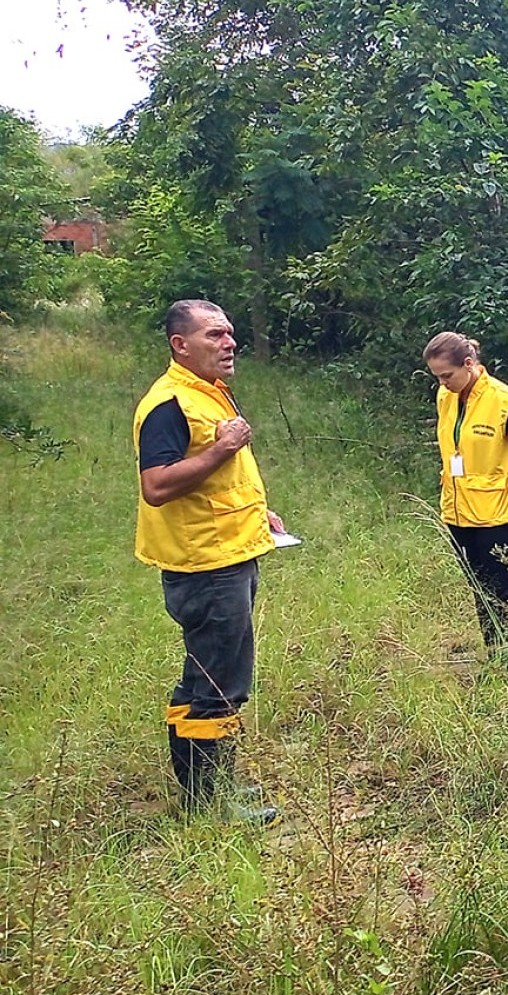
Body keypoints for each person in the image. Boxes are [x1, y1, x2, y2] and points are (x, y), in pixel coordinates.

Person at [135, 299, 281, 824]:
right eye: (216, 335)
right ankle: (213, 802)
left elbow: (214, 481)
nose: (230, 343)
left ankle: (207, 794)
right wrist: (221, 450)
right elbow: (157, 486)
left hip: (229, 550)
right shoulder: (169, 403)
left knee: (205, 677)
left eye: (231, 334)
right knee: (220, 683)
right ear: (181, 344)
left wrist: (259, 512)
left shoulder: (207, 393)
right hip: (207, 564)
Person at [424, 332, 508, 680]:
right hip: (458, 514)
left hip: (500, 517)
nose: (442, 383)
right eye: (437, 377)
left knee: (505, 593)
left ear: (469, 364)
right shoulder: (446, 396)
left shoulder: (505, 401)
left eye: (447, 375)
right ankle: (496, 660)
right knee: (481, 591)